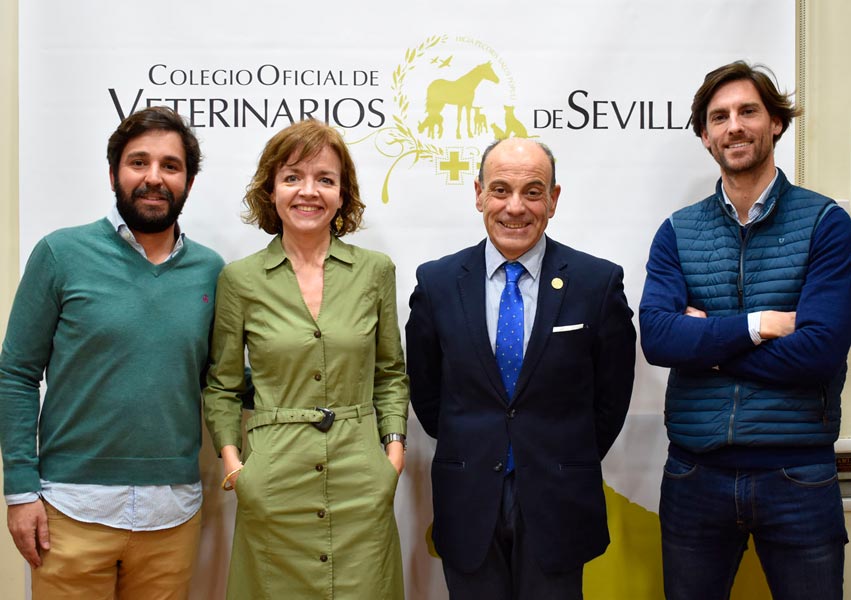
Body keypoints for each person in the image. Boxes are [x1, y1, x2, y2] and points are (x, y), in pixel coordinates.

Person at [640, 60, 851, 600]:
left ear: (775, 123)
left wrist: (706, 346)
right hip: (695, 474)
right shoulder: (676, 232)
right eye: (719, 117)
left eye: (748, 111)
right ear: (705, 137)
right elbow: (660, 339)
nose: (734, 125)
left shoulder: (827, 224)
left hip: (798, 475)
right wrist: (760, 326)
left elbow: (820, 353)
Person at [0, 106, 224, 598]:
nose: (153, 178)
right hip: (70, 512)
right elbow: (16, 373)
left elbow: (223, 378)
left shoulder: (212, 271)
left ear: (188, 181)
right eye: (138, 162)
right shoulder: (61, 254)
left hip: (173, 515)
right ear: (113, 173)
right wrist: (19, 492)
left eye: (170, 166)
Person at [406, 137, 635, 599]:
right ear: (478, 195)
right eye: (500, 190)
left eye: (533, 191)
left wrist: (565, 454)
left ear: (553, 199)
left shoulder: (597, 283)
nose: (515, 207)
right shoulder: (437, 283)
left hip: (558, 500)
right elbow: (429, 396)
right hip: (468, 496)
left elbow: (611, 399)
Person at [203, 119, 409, 599]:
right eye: (292, 177)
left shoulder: (375, 272)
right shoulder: (240, 279)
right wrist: (235, 465)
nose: (308, 191)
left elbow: (391, 375)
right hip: (274, 483)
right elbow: (224, 386)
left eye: (325, 179)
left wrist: (392, 456)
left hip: (362, 478)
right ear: (270, 190)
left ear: (342, 194)